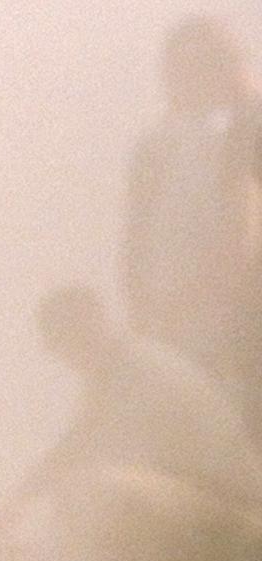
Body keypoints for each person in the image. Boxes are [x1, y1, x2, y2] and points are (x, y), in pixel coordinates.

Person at [0, 285, 262, 561]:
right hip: (214, 508)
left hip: (237, 515)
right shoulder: (124, 369)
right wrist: (19, 499)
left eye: (64, 344)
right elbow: (76, 446)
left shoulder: (139, 373)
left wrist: (21, 505)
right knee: (98, 490)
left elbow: (85, 453)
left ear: (87, 329)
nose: (67, 360)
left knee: (101, 492)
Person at [120, 15, 261, 391]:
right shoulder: (158, 146)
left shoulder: (246, 130)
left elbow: (240, 237)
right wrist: (144, 308)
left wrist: (188, 301)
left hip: (232, 320)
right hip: (176, 323)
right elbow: (136, 235)